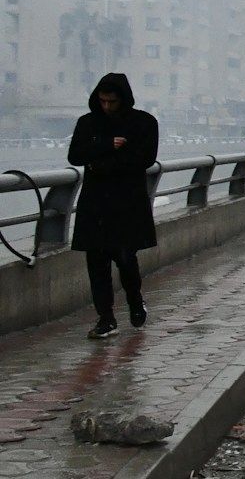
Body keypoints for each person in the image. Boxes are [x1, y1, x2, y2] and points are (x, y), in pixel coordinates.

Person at [66, 73, 159, 340]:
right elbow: (75, 155)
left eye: (112, 102)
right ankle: (106, 318)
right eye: (103, 101)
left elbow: (145, 158)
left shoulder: (143, 123)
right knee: (96, 262)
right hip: (95, 205)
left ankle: (135, 300)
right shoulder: (87, 123)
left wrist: (100, 162)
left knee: (126, 258)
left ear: (123, 100)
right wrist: (107, 145)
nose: (107, 107)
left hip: (127, 203)